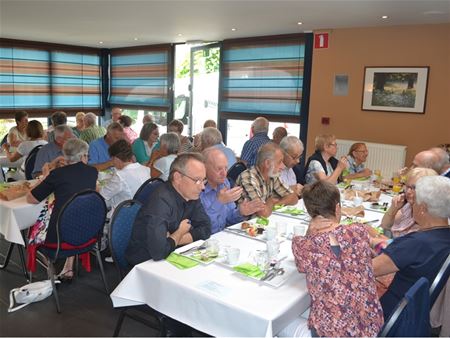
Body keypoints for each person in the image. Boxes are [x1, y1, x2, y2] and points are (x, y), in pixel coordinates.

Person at [281, 181, 383, 337]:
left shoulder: (302, 245)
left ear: (310, 213)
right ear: (337, 208)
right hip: (369, 324)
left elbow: (302, 266)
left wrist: (310, 230)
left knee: (281, 325)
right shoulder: (359, 231)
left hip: (333, 333)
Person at [373, 176, 450, 320]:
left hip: (392, 313)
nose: (411, 205)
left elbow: (367, 269)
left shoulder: (417, 243)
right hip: (418, 311)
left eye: (414, 202)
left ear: (422, 208)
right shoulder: (442, 236)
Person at [27, 138, 98, 281]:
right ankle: (68, 268)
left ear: (65, 156)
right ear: (83, 156)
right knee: (74, 215)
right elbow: (96, 190)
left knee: (35, 228)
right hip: (89, 233)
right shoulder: (92, 172)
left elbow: (31, 199)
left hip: (60, 239)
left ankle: (51, 269)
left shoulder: (57, 174)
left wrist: (45, 176)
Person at [126, 153, 211, 264]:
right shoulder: (160, 201)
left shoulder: (191, 194)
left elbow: (206, 229)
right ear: (177, 177)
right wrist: (180, 232)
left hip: (172, 254)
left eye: (203, 180)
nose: (203, 187)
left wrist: (174, 238)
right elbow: (159, 252)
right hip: (145, 263)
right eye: (197, 180)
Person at [200, 148, 265, 234]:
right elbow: (204, 228)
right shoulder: (198, 189)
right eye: (219, 169)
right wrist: (219, 202)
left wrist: (240, 212)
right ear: (204, 168)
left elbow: (229, 220)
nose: (224, 174)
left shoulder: (224, 183)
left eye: (226, 168)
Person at [236, 142, 298, 217]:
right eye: (279, 162)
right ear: (267, 163)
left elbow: (294, 198)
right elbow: (263, 213)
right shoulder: (248, 178)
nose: (283, 166)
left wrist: (274, 204)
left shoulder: (272, 175)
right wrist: (270, 200)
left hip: (262, 223)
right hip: (246, 225)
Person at [380, 167, 438, 238]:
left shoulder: (429, 215)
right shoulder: (408, 206)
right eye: (407, 186)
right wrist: (393, 208)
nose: (408, 192)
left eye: (414, 188)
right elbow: (385, 225)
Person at [100, 139, 150, 214]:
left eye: (112, 159)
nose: (112, 162)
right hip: (143, 211)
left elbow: (103, 194)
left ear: (116, 158)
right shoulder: (146, 169)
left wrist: (97, 187)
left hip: (124, 214)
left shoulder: (120, 176)